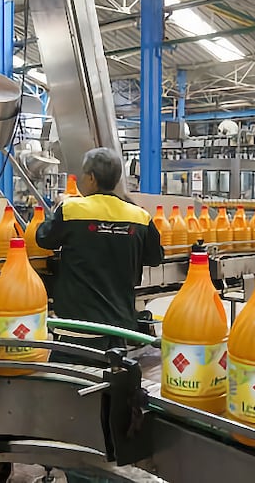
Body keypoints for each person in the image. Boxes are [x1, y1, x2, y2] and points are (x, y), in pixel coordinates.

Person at [36, 147, 164, 360]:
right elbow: (155, 257)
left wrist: (57, 207)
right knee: (112, 375)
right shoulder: (140, 216)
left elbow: (43, 239)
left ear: (92, 178)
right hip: (119, 329)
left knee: (70, 377)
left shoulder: (71, 209)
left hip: (78, 328)